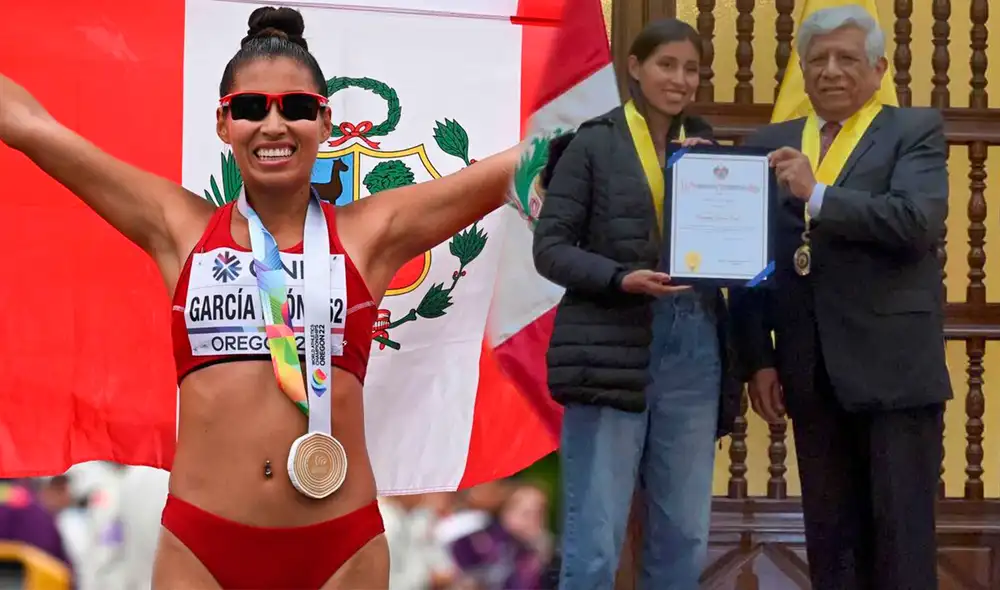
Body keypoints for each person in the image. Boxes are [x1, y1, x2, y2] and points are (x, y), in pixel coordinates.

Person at [0, 6, 518, 589]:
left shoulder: (370, 234)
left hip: (340, 547)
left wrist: (604, 91)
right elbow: (31, 127)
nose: (274, 125)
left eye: (296, 107)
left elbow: (520, 164)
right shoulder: (180, 228)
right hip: (202, 546)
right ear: (224, 123)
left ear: (325, 121)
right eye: (251, 107)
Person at [730, 5, 950, 589]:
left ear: (878, 69)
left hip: (895, 373)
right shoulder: (769, 144)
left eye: (847, 58)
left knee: (901, 544)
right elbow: (746, 262)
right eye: (818, 59)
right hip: (809, 370)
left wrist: (818, 194)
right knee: (832, 543)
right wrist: (759, 359)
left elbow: (916, 222)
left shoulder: (913, 131)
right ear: (802, 70)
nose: (830, 70)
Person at [531, 18, 742, 590]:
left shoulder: (705, 148)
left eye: (691, 69)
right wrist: (620, 279)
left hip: (694, 345)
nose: (680, 79)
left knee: (684, 535)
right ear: (635, 68)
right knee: (595, 538)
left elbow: (728, 249)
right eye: (666, 65)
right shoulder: (592, 144)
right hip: (611, 346)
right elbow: (550, 249)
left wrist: (721, 180)